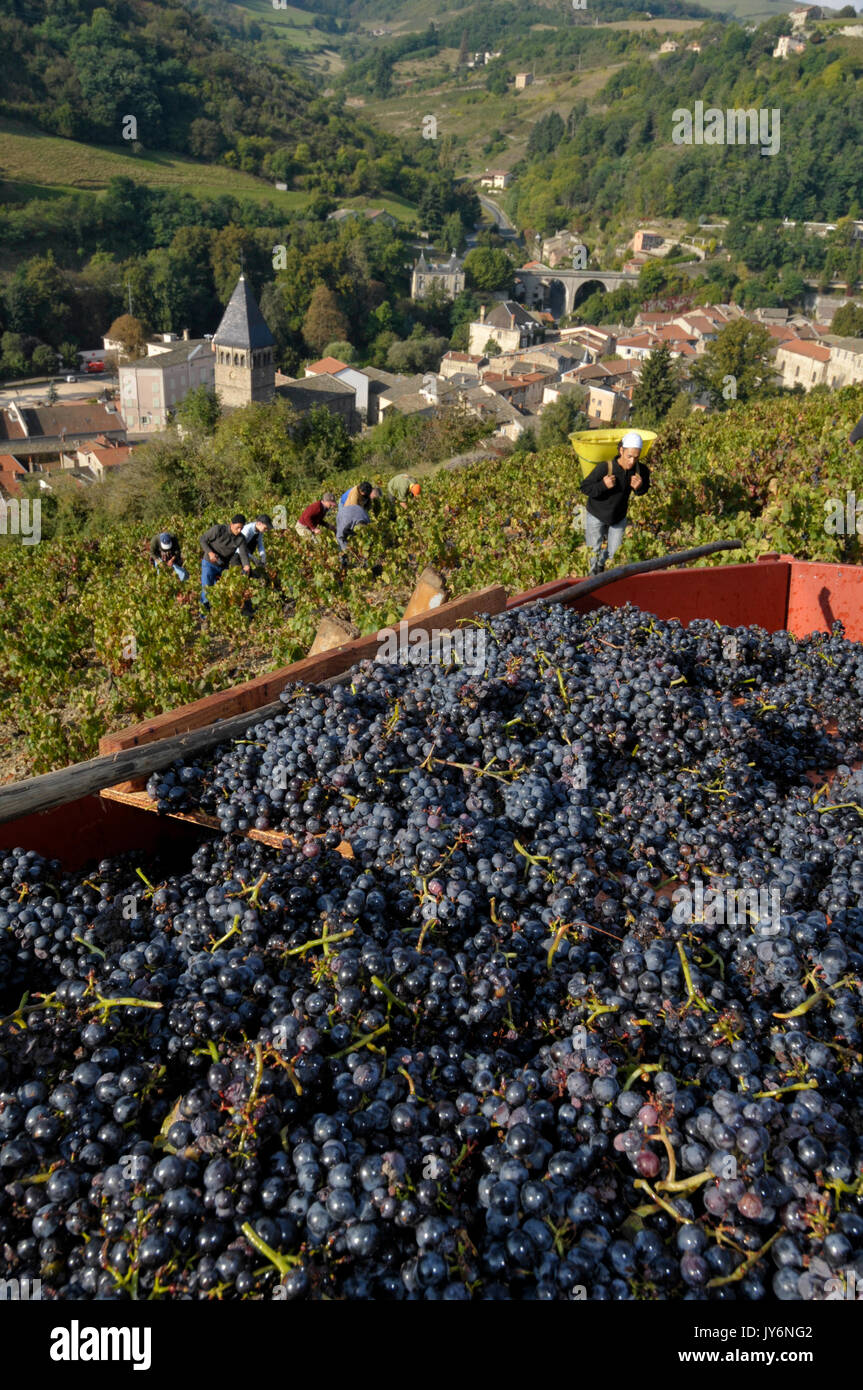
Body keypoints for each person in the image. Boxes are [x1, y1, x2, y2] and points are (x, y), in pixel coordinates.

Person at [579, 430, 650, 575]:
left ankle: (601, 567)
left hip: (618, 517)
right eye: (629, 456)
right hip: (596, 515)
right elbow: (584, 487)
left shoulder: (641, 470)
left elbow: (644, 490)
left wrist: (640, 487)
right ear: (621, 450)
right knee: (593, 551)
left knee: (614, 553)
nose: (632, 461)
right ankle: (592, 580)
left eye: (636, 457)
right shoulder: (605, 467)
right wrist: (602, 486)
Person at [199, 514, 251, 609]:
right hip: (209, 563)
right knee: (206, 590)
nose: (239, 530)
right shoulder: (218, 529)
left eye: (241, 528)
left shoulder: (241, 539)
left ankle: (219, 614)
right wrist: (210, 553)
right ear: (231, 524)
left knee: (224, 591)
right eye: (237, 527)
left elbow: (243, 554)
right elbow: (202, 539)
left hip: (223, 566)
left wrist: (246, 566)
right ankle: (204, 617)